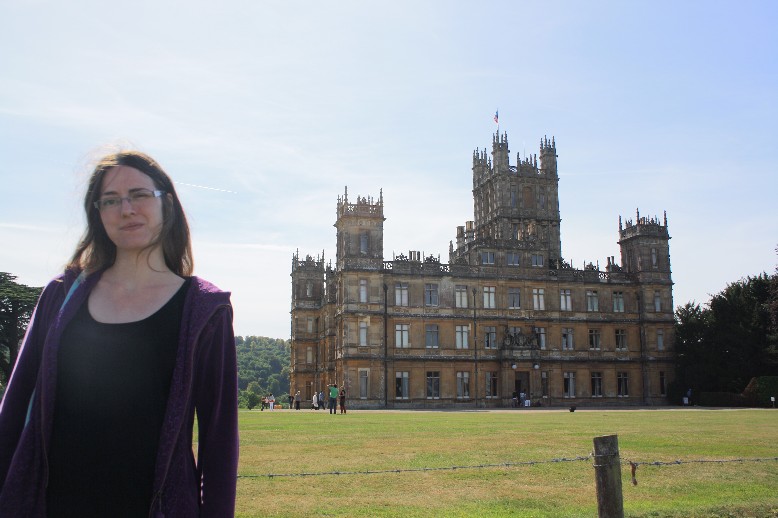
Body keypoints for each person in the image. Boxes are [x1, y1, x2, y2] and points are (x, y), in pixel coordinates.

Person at [0, 151, 238, 517]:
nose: (126, 209)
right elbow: (14, 411)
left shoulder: (206, 310)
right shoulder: (61, 295)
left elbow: (219, 441)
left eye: (139, 195)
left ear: (167, 203)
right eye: (110, 200)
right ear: (97, 213)